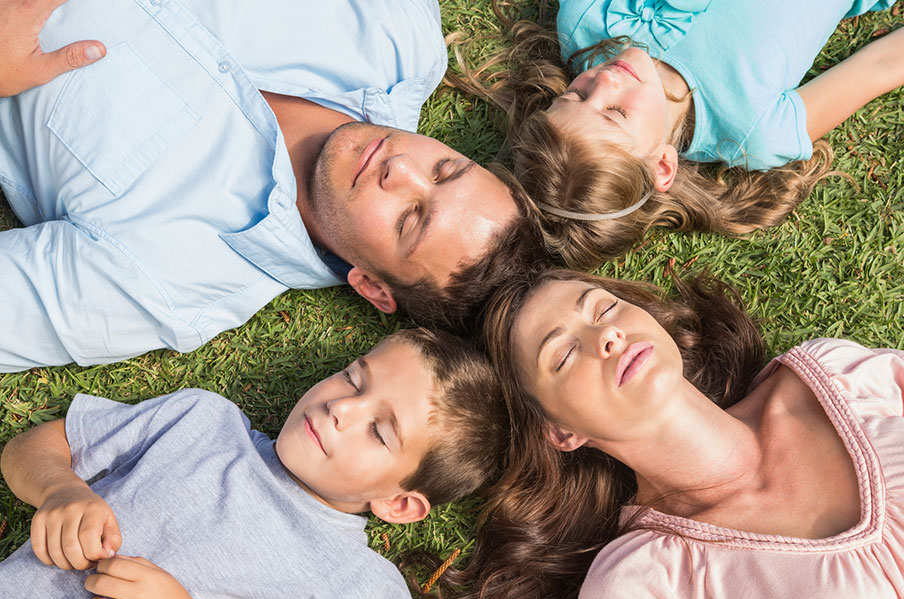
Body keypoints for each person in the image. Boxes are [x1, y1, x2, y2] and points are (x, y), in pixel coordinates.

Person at [414, 268, 904, 599]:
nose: (607, 337)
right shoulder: (641, 595)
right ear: (563, 432)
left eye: (605, 309)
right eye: (564, 353)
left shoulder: (840, 378)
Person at [0, 0, 541, 372]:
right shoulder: (395, 33)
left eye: (408, 219)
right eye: (445, 169)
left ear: (373, 287)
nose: (400, 169)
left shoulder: (171, 282)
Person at [0, 327, 509, 599]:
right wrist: (60, 488)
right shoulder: (200, 420)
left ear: (398, 504)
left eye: (380, 431)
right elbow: (30, 450)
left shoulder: (361, 589)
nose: (343, 409)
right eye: (354, 379)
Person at [453, 0, 904, 269]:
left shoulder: (591, 20)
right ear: (663, 165)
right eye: (614, 114)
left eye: (572, 97)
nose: (601, 83)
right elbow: (879, 68)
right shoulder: (752, 129)